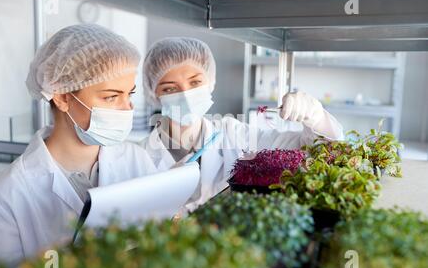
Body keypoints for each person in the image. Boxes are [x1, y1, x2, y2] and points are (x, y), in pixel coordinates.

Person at [0, 24, 158, 268]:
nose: (127, 108)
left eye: (129, 94)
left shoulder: (136, 160)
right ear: (62, 97)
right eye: (111, 97)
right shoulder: (8, 195)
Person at [140, 37, 344, 213]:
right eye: (169, 89)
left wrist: (315, 118)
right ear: (153, 94)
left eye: (195, 83)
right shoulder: (140, 157)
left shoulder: (233, 134)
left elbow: (318, 151)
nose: (185, 95)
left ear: (210, 82)